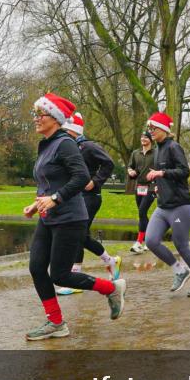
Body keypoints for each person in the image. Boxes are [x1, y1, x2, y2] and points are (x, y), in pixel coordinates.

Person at [23, 93, 126, 340]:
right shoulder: (46, 144)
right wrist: (37, 204)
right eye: (35, 114)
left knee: (60, 275)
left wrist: (56, 199)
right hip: (49, 217)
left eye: (41, 115)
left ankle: (111, 288)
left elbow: (80, 177)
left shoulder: (65, 143)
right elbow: (51, 181)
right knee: (37, 268)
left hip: (70, 218)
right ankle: (56, 323)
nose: (36, 119)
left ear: (56, 119)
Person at [143, 112, 190, 298]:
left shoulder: (174, 147)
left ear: (164, 129)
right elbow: (163, 175)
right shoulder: (157, 149)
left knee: (181, 245)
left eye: (154, 128)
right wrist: (159, 186)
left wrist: (161, 174)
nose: (151, 132)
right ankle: (179, 270)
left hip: (180, 205)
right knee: (150, 240)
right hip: (163, 205)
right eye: (150, 129)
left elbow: (184, 172)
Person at [56, 112, 120, 296]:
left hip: (91, 197)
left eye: (65, 131)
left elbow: (108, 163)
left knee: (78, 235)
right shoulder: (67, 148)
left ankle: (76, 278)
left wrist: (95, 181)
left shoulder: (89, 146)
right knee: (80, 236)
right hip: (75, 197)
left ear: (73, 131)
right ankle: (110, 261)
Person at [127, 132, 155, 254]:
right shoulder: (135, 153)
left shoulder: (156, 153)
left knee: (142, 211)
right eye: (142, 137)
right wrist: (131, 171)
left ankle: (139, 242)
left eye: (146, 137)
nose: (143, 139)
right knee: (142, 214)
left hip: (152, 187)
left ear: (150, 140)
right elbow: (129, 167)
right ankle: (150, 241)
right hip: (139, 187)